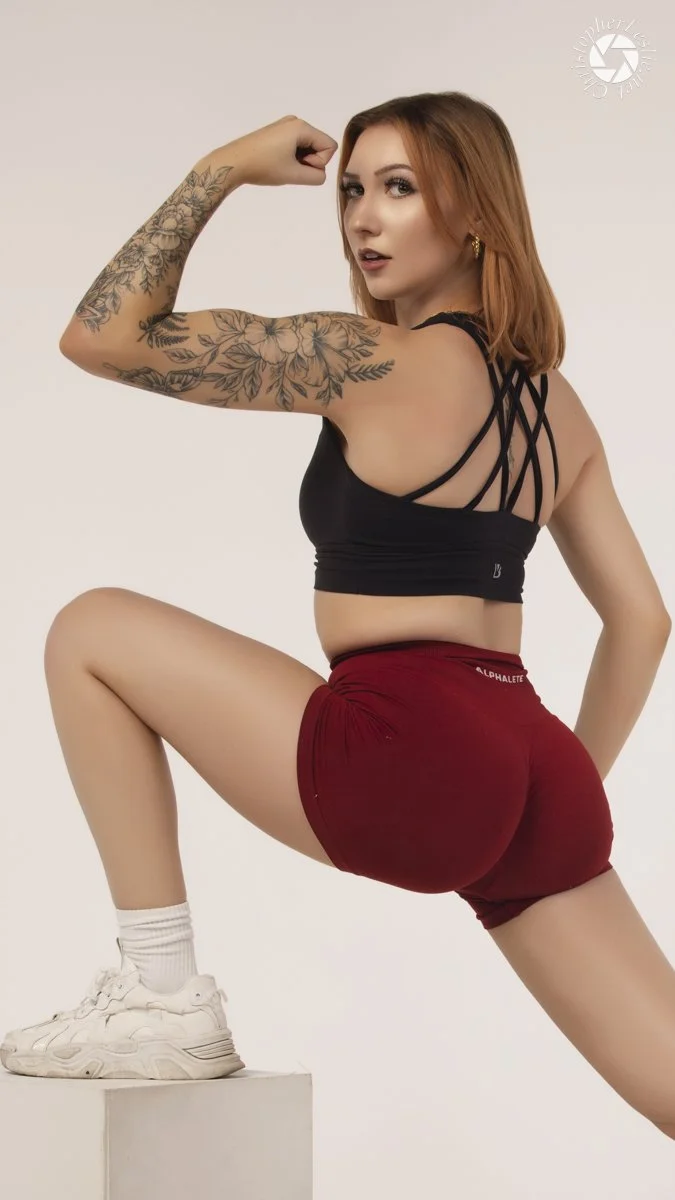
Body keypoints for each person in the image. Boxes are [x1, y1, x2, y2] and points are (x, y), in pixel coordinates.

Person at [3, 91, 673, 1137]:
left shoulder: (369, 361)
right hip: (539, 768)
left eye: (400, 189)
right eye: (354, 190)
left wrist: (222, 166)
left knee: (90, 630)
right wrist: (552, 788)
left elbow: (101, 338)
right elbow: (642, 619)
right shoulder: (556, 404)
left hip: (407, 742)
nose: (363, 216)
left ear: (477, 214)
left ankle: (162, 996)